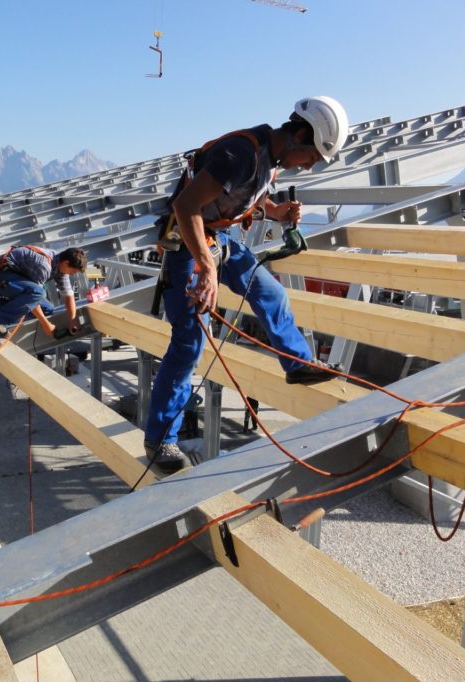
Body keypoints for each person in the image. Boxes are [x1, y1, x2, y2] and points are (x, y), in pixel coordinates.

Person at [144, 96, 349, 473]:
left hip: (217, 240)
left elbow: (250, 194)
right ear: (300, 134)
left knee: (269, 291)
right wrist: (206, 270)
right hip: (190, 243)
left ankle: (298, 363)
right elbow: (186, 206)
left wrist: (275, 212)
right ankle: (160, 440)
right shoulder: (240, 154)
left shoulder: (268, 160)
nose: (308, 167)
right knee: (190, 344)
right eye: (312, 157)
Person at [0, 245, 87, 337]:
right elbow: (34, 297)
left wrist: (73, 319)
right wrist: (45, 324)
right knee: (38, 293)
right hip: (1, 277)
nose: (72, 274)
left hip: (14, 280)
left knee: (48, 309)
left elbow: (68, 295)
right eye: (73, 271)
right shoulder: (44, 266)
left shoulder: (60, 266)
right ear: (66, 263)